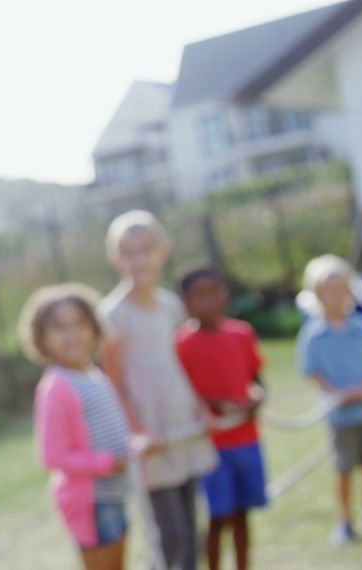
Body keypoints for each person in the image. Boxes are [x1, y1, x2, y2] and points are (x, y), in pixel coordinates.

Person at [98, 210, 218, 570]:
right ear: (116, 258)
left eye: (146, 249)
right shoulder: (113, 314)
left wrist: (202, 408)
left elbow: (183, 363)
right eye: (129, 252)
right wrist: (138, 431)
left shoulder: (171, 305)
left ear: (162, 250)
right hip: (152, 440)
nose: (139, 259)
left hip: (183, 426)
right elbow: (113, 383)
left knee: (191, 528)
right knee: (170, 537)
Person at [24, 283, 142, 570]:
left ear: (94, 328)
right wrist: (107, 464)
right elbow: (51, 457)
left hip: (114, 493)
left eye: (79, 324)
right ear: (43, 338)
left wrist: (136, 444)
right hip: (93, 503)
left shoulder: (93, 374)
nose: (72, 334)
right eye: (60, 327)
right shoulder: (57, 386)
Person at [175, 266, 267, 570]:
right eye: (199, 295)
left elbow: (256, 379)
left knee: (243, 514)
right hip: (210, 447)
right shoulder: (182, 344)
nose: (209, 301)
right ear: (186, 302)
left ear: (225, 294)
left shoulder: (242, 333)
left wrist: (255, 397)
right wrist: (216, 405)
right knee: (218, 517)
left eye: (214, 292)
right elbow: (182, 396)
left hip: (247, 439)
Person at [297, 254, 362, 546]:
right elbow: (311, 369)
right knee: (344, 468)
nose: (336, 295)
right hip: (340, 415)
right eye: (328, 290)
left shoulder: (361, 328)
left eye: (340, 287)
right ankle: (345, 521)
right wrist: (336, 393)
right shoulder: (313, 334)